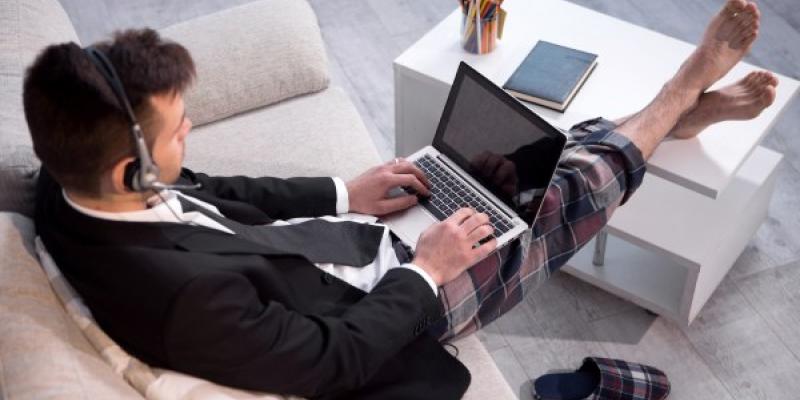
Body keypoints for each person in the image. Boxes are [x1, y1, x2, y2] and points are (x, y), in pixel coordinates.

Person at [26, 0, 776, 399]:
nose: (191, 132)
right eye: (177, 132)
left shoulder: (71, 183)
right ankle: (678, 96)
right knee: (557, 199)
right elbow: (333, 361)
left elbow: (213, 193)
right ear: (132, 172)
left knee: (516, 167)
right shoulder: (180, 304)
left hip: (339, 245)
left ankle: (660, 120)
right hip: (386, 309)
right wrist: (426, 269)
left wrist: (342, 189)